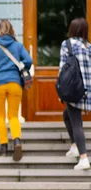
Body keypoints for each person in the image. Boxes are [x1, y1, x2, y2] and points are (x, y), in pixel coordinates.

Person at [0, 19, 32, 161]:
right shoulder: (17, 46)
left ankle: (3, 146)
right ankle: (16, 140)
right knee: (13, 115)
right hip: (14, 83)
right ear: (11, 31)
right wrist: (23, 70)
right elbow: (28, 60)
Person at [60, 18, 91, 170]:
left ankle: (84, 157)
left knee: (77, 123)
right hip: (87, 90)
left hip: (73, 89)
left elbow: (62, 70)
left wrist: (61, 91)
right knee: (67, 116)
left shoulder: (67, 44)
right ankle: (74, 146)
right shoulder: (89, 47)